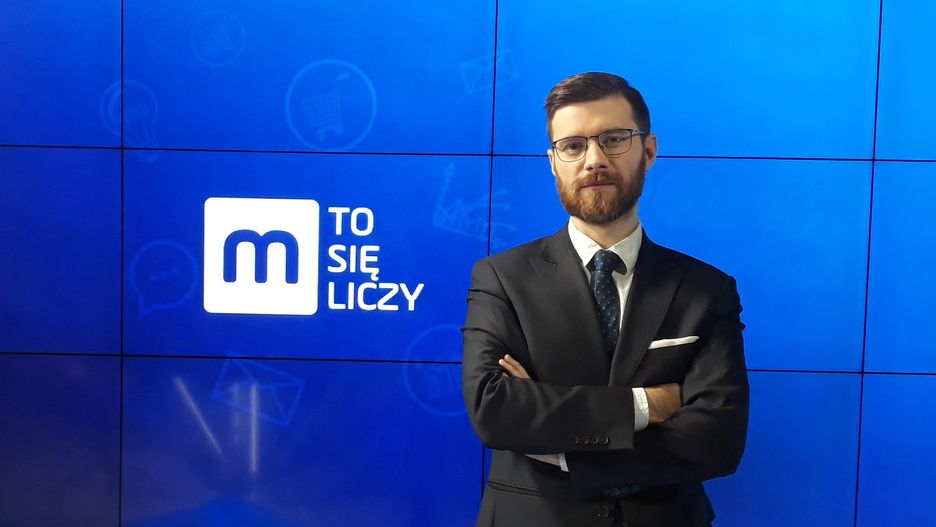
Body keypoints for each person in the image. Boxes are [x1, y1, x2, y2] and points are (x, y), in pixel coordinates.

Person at [461, 72, 749, 527]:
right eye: (573, 146)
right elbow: (494, 409)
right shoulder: (501, 278)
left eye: (613, 139)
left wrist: (566, 453)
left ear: (648, 151)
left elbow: (717, 439)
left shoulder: (706, 290)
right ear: (553, 162)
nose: (593, 160)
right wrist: (646, 405)